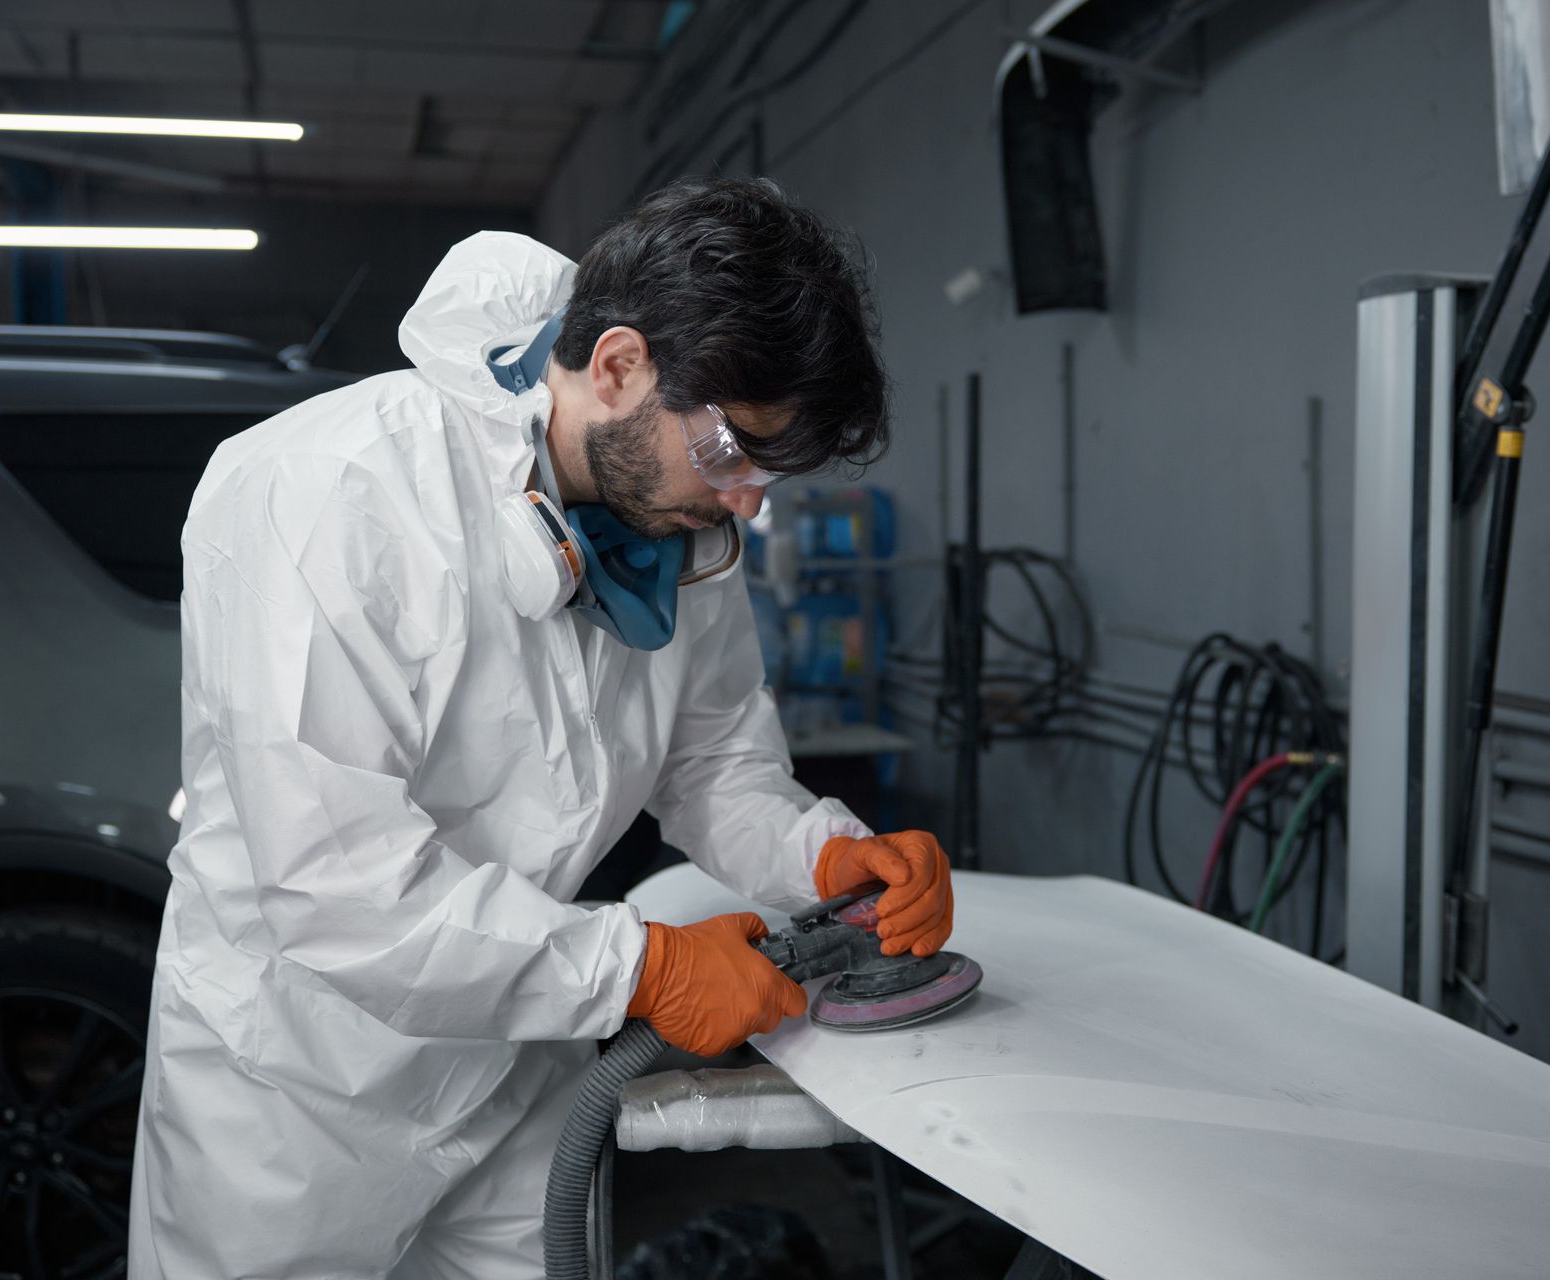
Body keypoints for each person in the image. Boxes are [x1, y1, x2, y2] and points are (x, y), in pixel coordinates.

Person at [128, 177, 956, 1279]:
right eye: (734, 453)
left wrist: (821, 853)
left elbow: (711, 763)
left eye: (771, 471)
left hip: (517, 1063)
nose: (750, 502)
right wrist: (640, 966)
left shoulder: (681, 525)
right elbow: (336, 886)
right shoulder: (328, 491)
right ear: (618, 367)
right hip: (294, 1092)